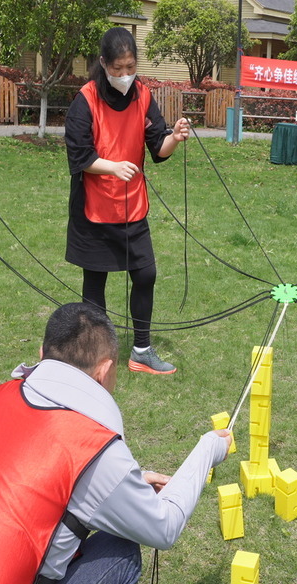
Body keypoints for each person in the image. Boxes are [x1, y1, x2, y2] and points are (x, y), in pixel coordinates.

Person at [0, 302, 231, 584]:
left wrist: (132, 479)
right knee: (121, 553)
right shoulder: (93, 445)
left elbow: (24, 478)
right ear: (106, 370)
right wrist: (207, 449)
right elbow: (164, 528)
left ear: (42, 353)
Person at [64, 27, 190, 375]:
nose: (124, 75)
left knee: (145, 273)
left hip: (132, 206)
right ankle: (97, 352)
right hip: (94, 208)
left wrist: (175, 138)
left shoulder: (143, 97)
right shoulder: (85, 100)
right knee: (96, 284)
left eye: (130, 67)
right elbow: (80, 156)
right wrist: (112, 166)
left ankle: (142, 351)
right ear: (103, 63)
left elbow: (158, 147)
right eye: (117, 68)